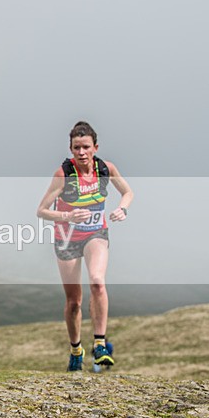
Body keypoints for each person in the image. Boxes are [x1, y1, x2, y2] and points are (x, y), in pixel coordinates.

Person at [36, 121, 133, 372]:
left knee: (98, 282)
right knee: (74, 301)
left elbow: (128, 192)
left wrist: (122, 208)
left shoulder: (105, 169)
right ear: (71, 149)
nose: (81, 153)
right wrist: (68, 217)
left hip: (95, 233)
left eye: (86, 147)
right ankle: (76, 350)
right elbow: (41, 211)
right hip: (67, 237)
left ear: (95, 147)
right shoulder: (63, 175)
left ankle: (99, 344)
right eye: (76, 148)